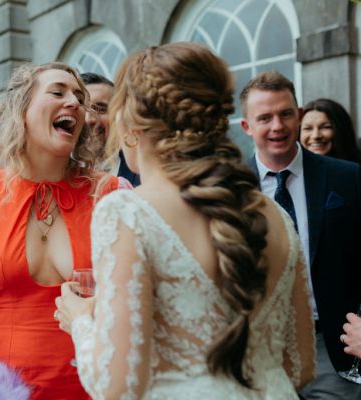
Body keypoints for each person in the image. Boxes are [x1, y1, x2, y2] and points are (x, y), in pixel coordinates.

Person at [55, 43, 315, 399]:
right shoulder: (279, 217)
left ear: (131, 124)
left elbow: (116, 387)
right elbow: (300, 367)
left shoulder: (128, 213)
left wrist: (81, 320)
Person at [0, 62, 130, 399]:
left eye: (80, 98)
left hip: (93, 387)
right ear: (21, 107)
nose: (75, 104)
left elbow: (132, 301)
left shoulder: (113, 194)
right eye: (58, 92)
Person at [240, 71, 361, 399]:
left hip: (334, 350)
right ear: (247, 127)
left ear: (300, 116)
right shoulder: (229, 189)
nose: (277, 126)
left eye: (285, 114)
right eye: (264, 118)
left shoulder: (348, 178)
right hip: (258, 353)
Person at [80, 72, 141, 186]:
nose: (89, 120)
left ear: (119, 115)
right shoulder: (54, 175)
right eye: (82, 109)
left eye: (100, 108)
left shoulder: (141, 169)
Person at [300, 98, 361, 164]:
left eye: (325, 127)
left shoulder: (355, 171)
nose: (316, 136)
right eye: (307, 128)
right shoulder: (294, 171)